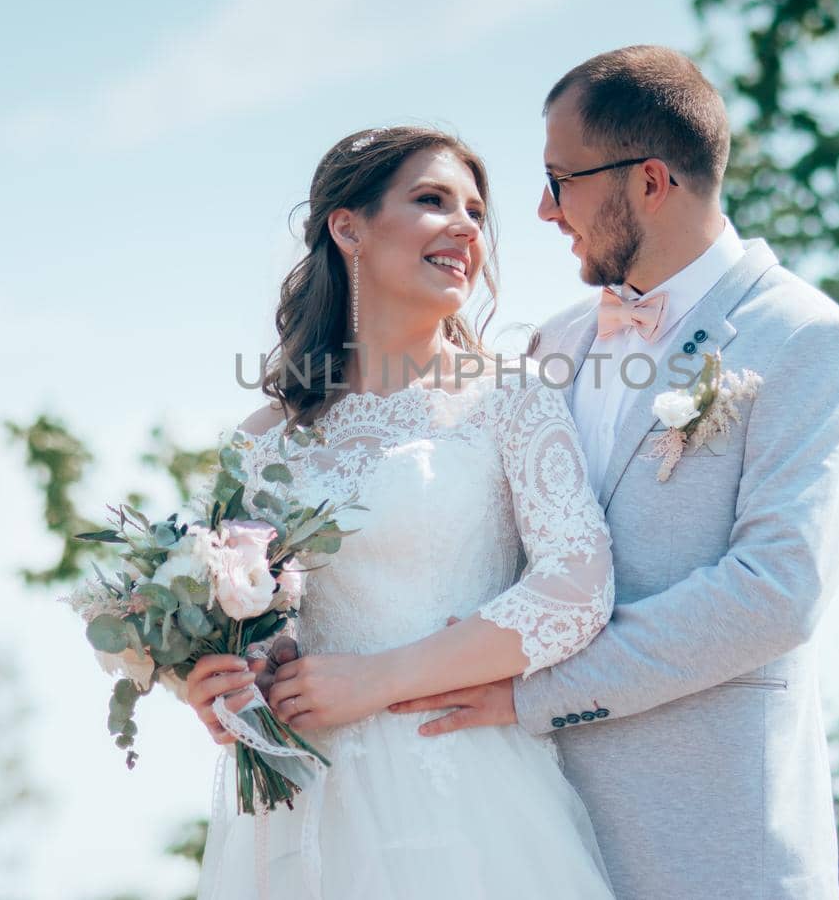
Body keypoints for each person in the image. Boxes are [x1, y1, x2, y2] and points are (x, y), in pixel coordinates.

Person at [388, 46, 839, 899]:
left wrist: (533, 689)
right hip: (530, 838)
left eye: (560, 178)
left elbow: (775, 590)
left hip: (716, 845)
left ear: (650, 181)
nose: (542, 209)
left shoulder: (806, 340)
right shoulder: (555, 344)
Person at [187, 125, 618, 899]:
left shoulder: (510, 398)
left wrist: (377, 680)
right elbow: (248, 619)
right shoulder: (263, 441)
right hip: (306, 809)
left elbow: (576, 588)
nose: (466, 227)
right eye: (432, 200)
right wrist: (225, 678)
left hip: (468, 794)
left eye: (476, 213)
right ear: (347, 226)